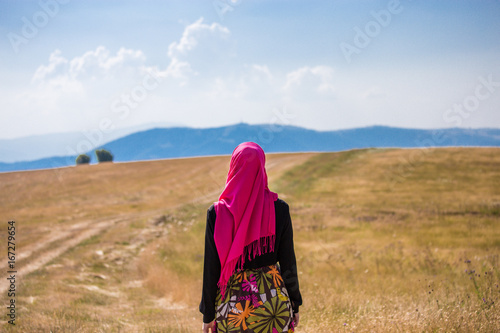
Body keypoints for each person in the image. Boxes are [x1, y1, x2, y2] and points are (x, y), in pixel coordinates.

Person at [200, 142, 302, 332]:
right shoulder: (279, 209)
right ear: (261, 168)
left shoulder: (216, 213)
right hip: (274, 305)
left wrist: (208, 314)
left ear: (234, 167)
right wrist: (295, 303)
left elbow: (211, 268)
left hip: (232, 309)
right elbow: (288, 262)